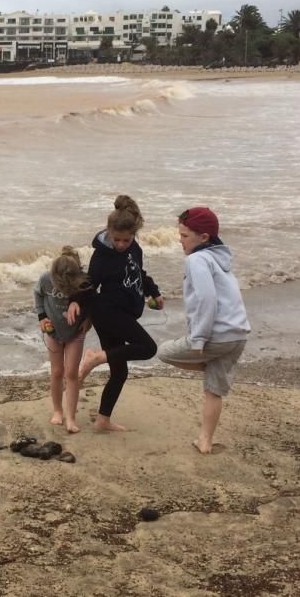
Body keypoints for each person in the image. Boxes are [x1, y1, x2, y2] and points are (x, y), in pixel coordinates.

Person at [157, 207, 250, 454]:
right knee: (213, 390)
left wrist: (199, 339)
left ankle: (208, 366)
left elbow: (207, 299)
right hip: (239, 334)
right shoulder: (222, 259)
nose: (180, 240)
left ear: (204, 237)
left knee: (164, 352)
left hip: (216, 336)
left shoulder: (196, 260)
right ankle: (205, 441)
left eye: (185, 235)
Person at [67, 195, 162, 432]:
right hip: (107, 311)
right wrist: (74, 301)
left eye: (125, 240)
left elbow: (139, 273)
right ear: (109, 232)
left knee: (119, 372)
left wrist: (153, 293)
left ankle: (103, 419)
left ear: (133, 234)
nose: (120, 244)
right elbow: (89, 282)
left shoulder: (134, 249)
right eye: (116, 239)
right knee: (148, 348)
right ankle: (96, 357)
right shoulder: (102, 256)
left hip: (122, 312)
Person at [34, 246, 93, 433]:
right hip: (53, 332)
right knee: (57, 372)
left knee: (71, 374)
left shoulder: (83, 282)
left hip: (76, 332)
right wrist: (42, 317)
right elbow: (38, 294)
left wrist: (89, 319)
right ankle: (58, 411)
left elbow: (93, 300)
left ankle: (71, 418)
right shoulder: (46, 279)